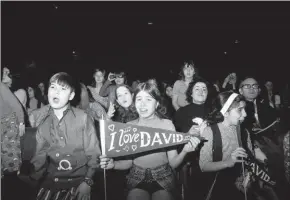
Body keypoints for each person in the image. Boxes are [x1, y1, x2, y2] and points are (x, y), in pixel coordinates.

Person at [99, 79, 201, 200]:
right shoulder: (130, 126)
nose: (143, 104)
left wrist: (184, 151)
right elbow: (128, 163)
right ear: (134, 103)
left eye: (148, 99)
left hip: (164, 177)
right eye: (139, 99)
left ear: (157, 103)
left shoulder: (167, 125)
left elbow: (173, 163)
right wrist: (113, 164)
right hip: (136, 177)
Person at [28, 72, 101, 200]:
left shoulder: (83, 118)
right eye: (53, 87)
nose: (56, 92)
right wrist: (29, 176)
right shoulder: (43, 122)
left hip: (79, 182)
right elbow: (39, 159)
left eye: (63, 89)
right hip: (51, 182)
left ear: (71, 95)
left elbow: (94, 154)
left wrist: (88, 181)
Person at [199, 91, 254, 200]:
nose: (245, 114)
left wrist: (249, 174)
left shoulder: (244, 131)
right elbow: (204, 166)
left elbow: (250, 158)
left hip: (241, 187)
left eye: (244, 109)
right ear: (225, 112)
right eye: (239, 110)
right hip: (219, 187)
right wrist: (228, 162)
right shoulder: (210, 132)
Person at [173, 76, 211, 200]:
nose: (201, 91)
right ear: (191, 93)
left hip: (213, 159)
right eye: (197, 89)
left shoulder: (215, 113)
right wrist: (187, 134)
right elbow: (173, 140)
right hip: (191, 162)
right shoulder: (181, 112)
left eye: (204, 89)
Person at [1, 81, 28, 200]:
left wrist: (21, 122)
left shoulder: (1, 86)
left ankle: (13, 179)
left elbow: (15, 104)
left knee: (10, 153)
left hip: (9, 120)